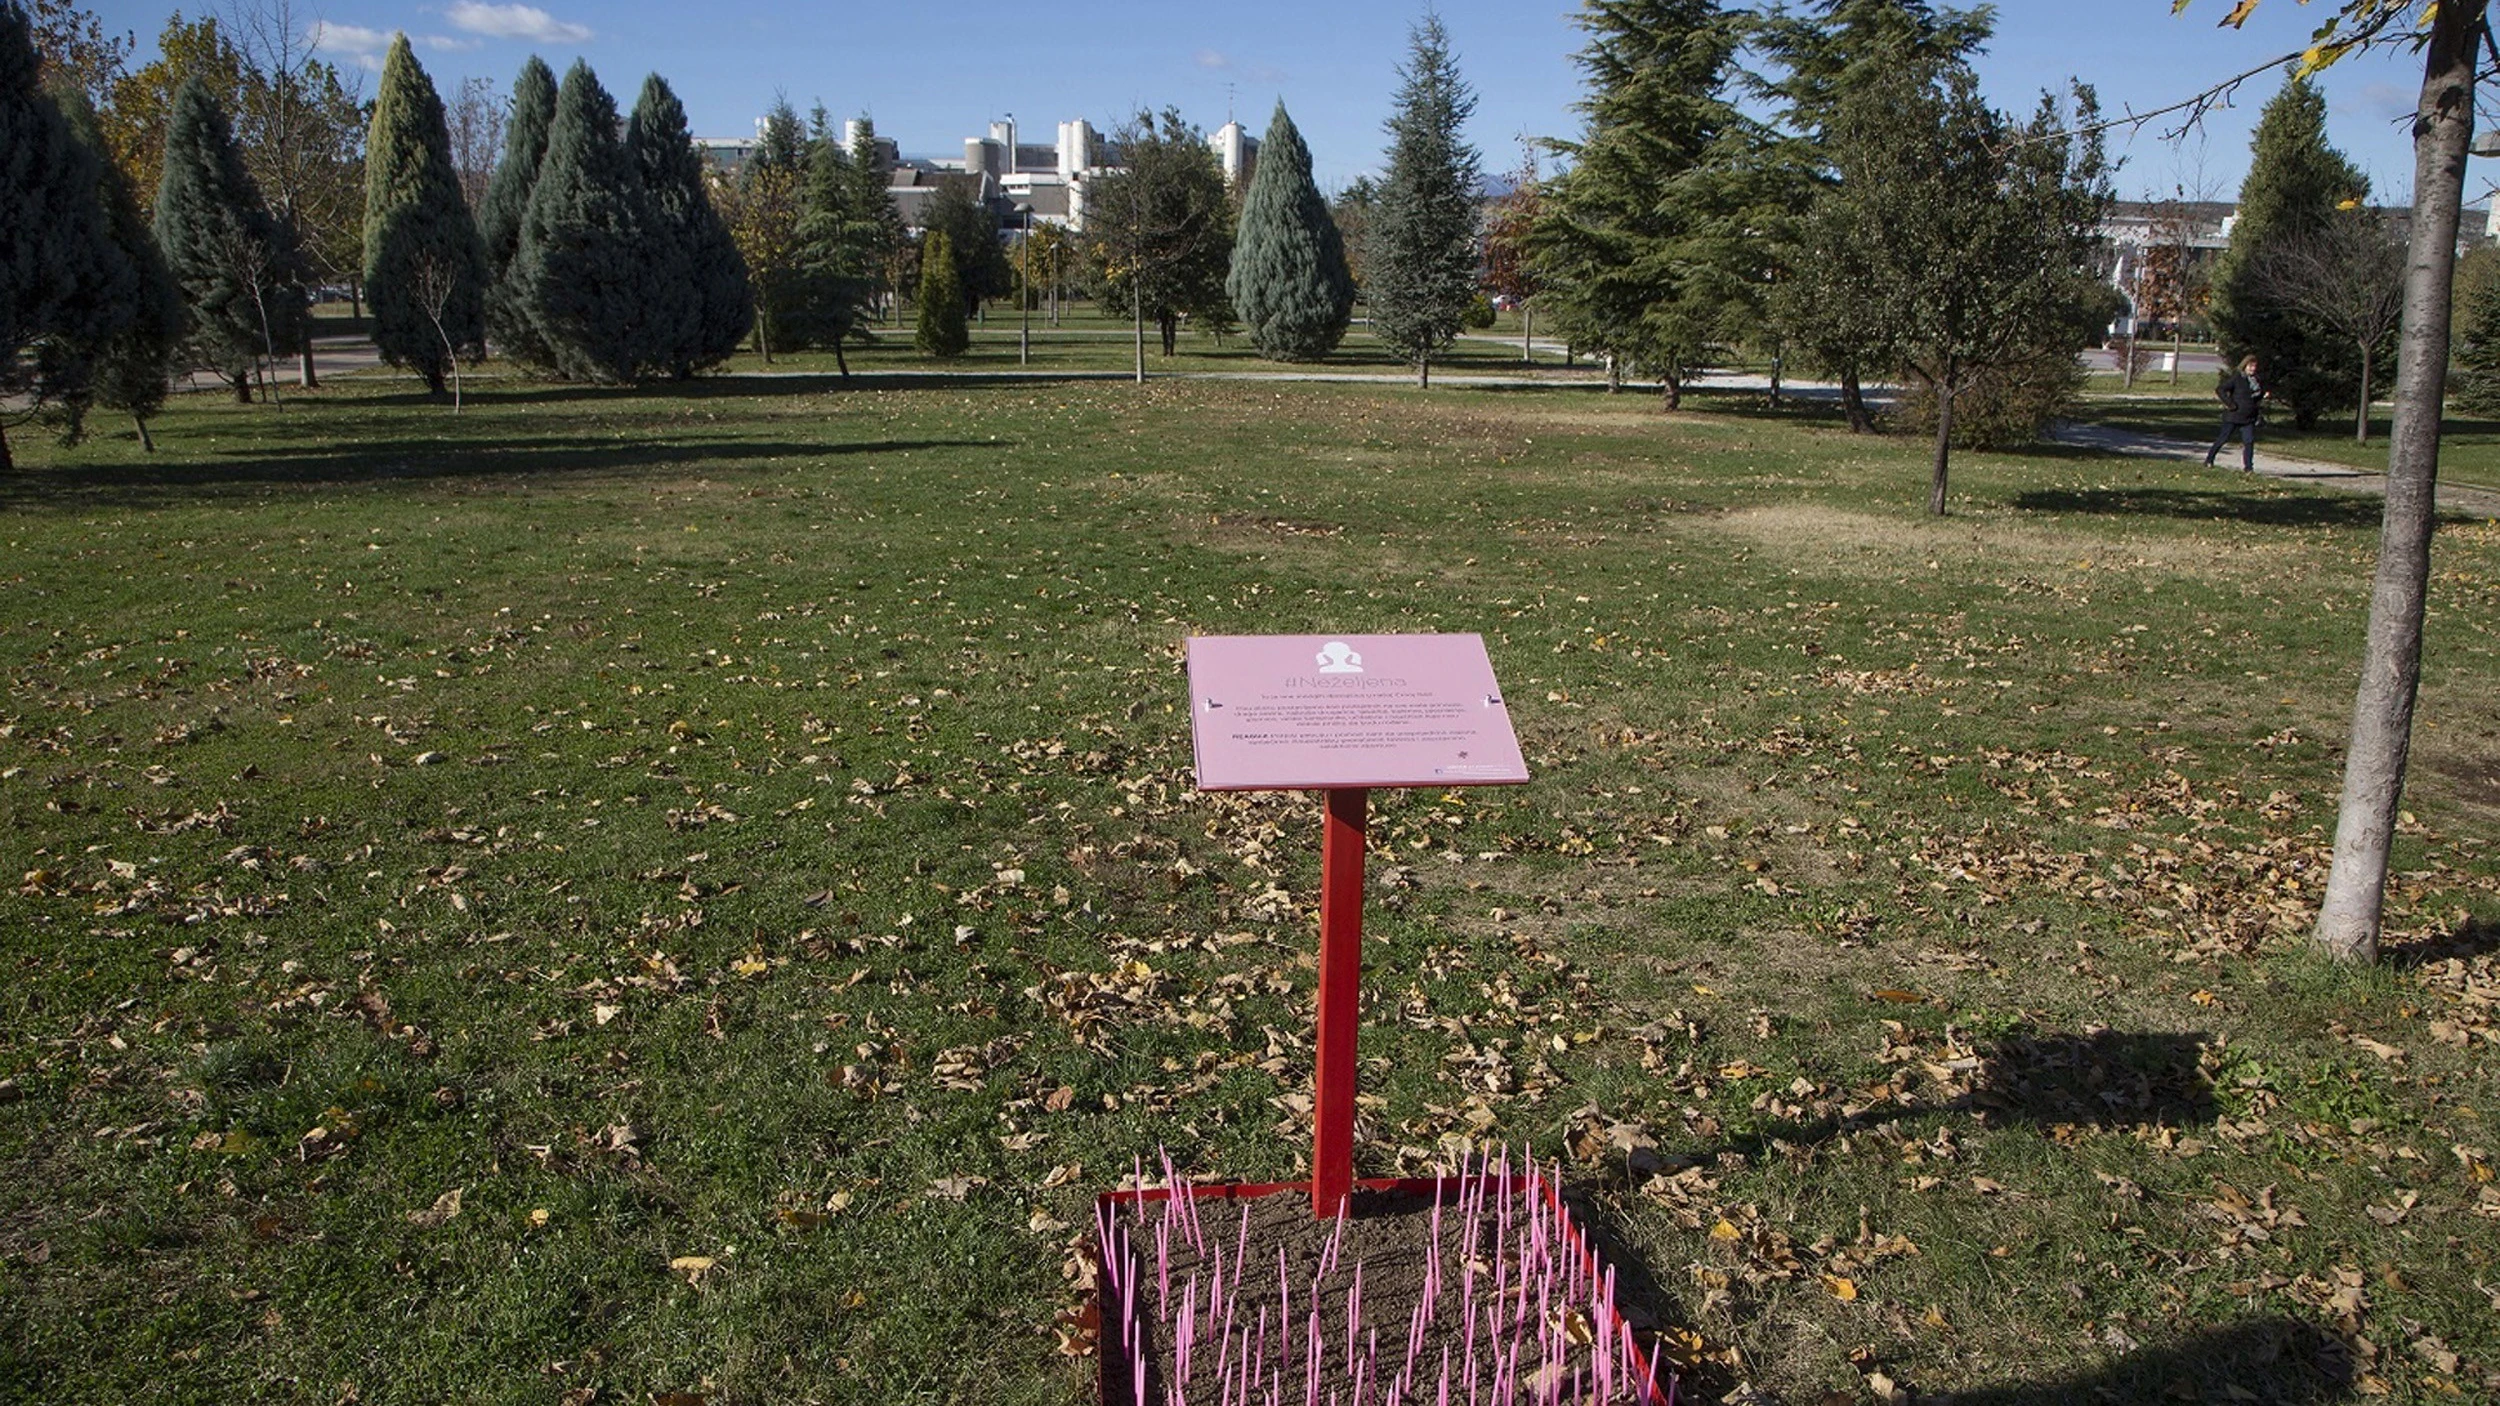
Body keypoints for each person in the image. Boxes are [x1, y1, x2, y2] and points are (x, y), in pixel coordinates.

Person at [2205, 355, 2265, 472]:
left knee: (2249, 441)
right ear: (2244, 366)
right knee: (2223, 438)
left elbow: (2254, 398)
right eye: (2250, 366)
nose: (2253, 369)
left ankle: (2248, 467)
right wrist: (2230, 404)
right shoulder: (2237, 378)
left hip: (2248, 417)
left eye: (2254, 366)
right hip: (2234, 416)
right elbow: (2220, 389)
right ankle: (2209, 459)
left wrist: (2263, 396)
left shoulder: (2256, 380)